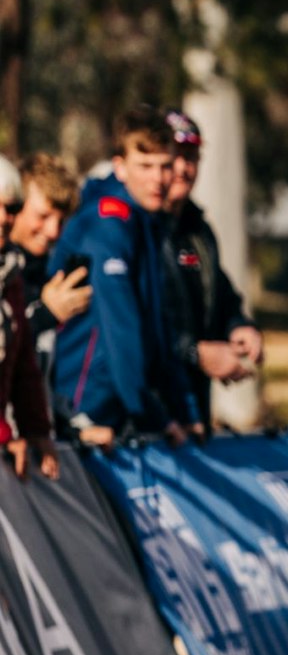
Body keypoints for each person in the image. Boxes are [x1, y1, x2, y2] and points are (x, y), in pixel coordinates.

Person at [49, 107, 197, 446]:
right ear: (120, 166)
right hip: (81, 413)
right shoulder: (107, 223)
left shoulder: (147, 221)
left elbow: (158, 329)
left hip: (117, 412)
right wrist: (155, 417)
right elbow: (122, 332)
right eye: (145, 166)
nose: (158, 179)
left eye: (165, 165)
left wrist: (184, 410)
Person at [162, 111, 264, 427]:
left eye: (191, 157)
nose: (183, 168)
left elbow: (220, 294)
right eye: (175, 156)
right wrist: (195, 353)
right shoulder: (136, 232)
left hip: (194, 406)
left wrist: (238, 327)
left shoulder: (199, 230)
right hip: (152, 413)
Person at [7, 156, 88, 388]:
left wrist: (71, 423)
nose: (53, 232)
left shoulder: (45, 273)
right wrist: (46, 315)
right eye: (43, 216)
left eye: (61, 221)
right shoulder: (7, 274)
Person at [0, 158, 56, 478]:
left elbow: (22, 362)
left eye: (11, 208)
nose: (3, 219)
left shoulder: (11, 274)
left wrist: (37, 429)